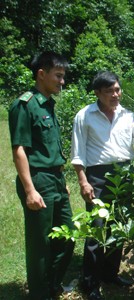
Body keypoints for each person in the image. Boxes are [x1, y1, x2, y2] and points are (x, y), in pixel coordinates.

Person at [71, 71, 134, 300]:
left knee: (119, 228)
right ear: (97, 93)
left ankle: (110, 274)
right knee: (97, 230)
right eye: (110, 91)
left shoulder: (128, 115)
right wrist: (83, 181)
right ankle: (90, 283)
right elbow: (77, 153)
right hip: (97, 176)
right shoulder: (85, 116)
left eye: (117, 90)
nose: (116, 95)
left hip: (125, 175)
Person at [8, 51, 75, 300]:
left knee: (67, 235)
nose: (62, 81)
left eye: (63, 76)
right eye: (58, 76)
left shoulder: (48, 104)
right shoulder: (25, 105)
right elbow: (19, 150)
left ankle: (52, 284)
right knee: (40, 245)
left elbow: (51, 148)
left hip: (55, 180)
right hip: (38, 180)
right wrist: (29, 190)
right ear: (41, 74)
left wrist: (63, 182)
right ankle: (40, 294)